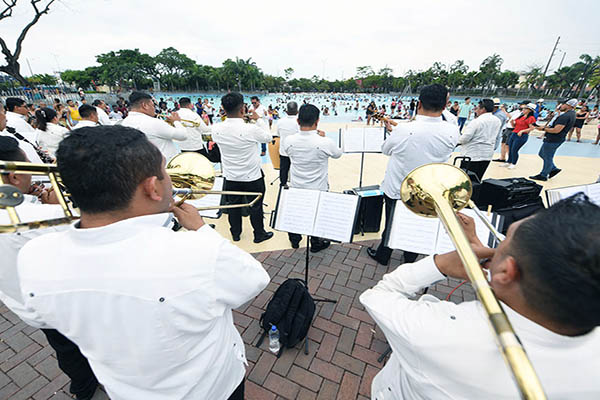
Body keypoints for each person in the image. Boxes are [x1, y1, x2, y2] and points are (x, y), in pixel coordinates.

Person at [13, 125, 270, 400]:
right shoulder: (199, 253)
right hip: (212, 388)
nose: (170, 180)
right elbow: (255, 278)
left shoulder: (34, 256)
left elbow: (42, 316)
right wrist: (201, 230)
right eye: (165, 173)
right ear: (152, 187)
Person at [360, 194, 600, 399]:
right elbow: (527, 295)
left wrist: (439, 264)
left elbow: (377, 296)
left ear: (508, 271)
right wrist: (477, 246)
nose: (500, 243)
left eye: (505, 239)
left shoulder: (435, 331)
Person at [0, 136, 100, 400]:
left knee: (64, 348)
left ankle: (82, 386)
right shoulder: (43, 218)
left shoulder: (25, 210)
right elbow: (92, 239)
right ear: (12, 176)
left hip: (22, 301)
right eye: (28, 167)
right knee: (84, 346)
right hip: (66, 304)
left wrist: (33, 200)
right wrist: (56, 207)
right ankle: (91, 385)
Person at [367, 84, 460, 266]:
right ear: (445, 106)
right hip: (428, 188)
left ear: (418, 104)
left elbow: (385, 150)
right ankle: (410, 257)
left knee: (392, 223)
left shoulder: (405, 130)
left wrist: (392, 133)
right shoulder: (452, 130)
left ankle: (383, 255)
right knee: (418, 225)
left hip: (398, 188)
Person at [212, 93, 274, 243]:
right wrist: (258, 119)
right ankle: (259, 234)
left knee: (233, 206)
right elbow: (268, 137)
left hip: (231, 176)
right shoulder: (250, 129)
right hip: (252, 176)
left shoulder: (216, 128)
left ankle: (236, 234)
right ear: (242, 109)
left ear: (223, 109)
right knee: (255, 206)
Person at [282, 104, 342, 251]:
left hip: (297, 186)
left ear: (298, 121)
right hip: (318, 188)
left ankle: (295, 240)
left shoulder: (289, 140)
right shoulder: (324, 142)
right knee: (317, 216)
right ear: (317, 122)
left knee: (296, 215)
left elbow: (286, 154)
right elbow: (338, 153)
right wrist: (323, 137)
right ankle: (315, 243)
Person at [121, 91, 188, 160]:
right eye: (153, 105)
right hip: (165, 164)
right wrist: (176, 121)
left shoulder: (124, 122)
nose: (154, 109)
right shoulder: (153, 122)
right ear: (145, 105)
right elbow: (183, 136)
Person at [530, 99, 577, 181]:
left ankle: (543, 175)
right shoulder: (571, 114)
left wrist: (543, 129)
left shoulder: (565, 116)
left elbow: (556, 130)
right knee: (542, 154)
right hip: (556, 138)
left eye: (563, 104)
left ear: (569, 105)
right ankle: (553, 169)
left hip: (554, 139)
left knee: (548, 156)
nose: (561, 106)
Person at [458, 99, 501, 181]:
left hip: (472, 155)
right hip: (487, 155)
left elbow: (466, 138)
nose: (475, 110)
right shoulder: (497, 120)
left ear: (483, 109)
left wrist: (456, 142)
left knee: (465, 181)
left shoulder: (477, 121)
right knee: (477, 179)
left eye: (477, 108)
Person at [503, 103, 537, 170]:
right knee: (510, 148)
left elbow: (532, 128)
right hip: (514, 133)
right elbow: (515, 126)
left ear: (530, 110)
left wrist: (522, 131)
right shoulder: (521, 116)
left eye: (525, 109)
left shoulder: (531, 118)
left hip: (522, 135)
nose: (523, 110)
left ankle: (513, 163)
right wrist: (512, 123)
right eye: (523, 108)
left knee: (514, 150)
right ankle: (509, 161)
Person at [276, 101, 300, 186]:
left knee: (283, 169)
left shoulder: (280, 121)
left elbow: (278, 134)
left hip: (283, 150)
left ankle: (283, 184)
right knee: (296, 169)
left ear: (286, 111)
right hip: (296, 151)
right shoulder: (299, 122)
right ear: (297, 112)